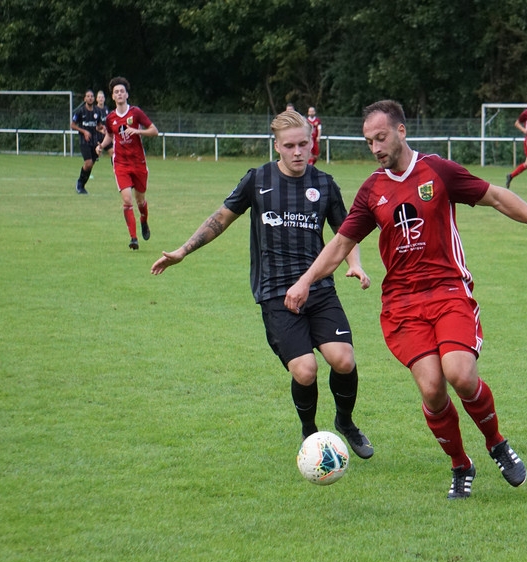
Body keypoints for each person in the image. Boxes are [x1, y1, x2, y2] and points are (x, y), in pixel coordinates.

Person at [285, 100, 527, 499]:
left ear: (401, 131)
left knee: (460, 374)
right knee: (432, 389)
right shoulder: (372, 190)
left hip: (448, 291)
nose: (375, 148)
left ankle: (497, 443)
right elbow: (341, 243)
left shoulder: (437, 171)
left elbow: (496, 197)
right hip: (403, 305)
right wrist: (306, 281)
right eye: (369, 141)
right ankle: (461, 465)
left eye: (381, 138)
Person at [150, 110, 375, 459]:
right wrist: (183, 250)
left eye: (303, 144)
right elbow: (220, 218)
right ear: (277, 146)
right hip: (275, 293)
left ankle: (345, 422)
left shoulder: (325, 184)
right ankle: (310, 431)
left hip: (318, 289)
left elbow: (345, 232)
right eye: (290, 145)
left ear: (311, 142)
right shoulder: (258, 180)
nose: (298, 151)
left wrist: (355, 264)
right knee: (305, 370)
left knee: (343, 360)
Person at [96, 77, 158, 250]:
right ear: (112, 96)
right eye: (116, 92)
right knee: (127, 200)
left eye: (122, 91)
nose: (119, 94)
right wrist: (101, 146)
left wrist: (137, 131)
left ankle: (144, 220)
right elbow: (110, 135)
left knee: (140, 201)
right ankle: (133, 238)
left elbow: (154, 131)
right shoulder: (110, 118)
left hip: (138, 163)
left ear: (127, 94)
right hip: (121, 164)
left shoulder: (135, 113)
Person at [70, 89, 103, 194]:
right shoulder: (80, 111)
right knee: (88, 163)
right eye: (88, 96)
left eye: (92, 96)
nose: (90, 98)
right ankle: (80, 183)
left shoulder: (97, 111)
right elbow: (72, 125)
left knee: (91, 164)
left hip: (94, 141)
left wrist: (103, 129)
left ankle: (82, 186)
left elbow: (99, 125)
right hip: (84, 141)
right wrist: (84, 131)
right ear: (84, 98)